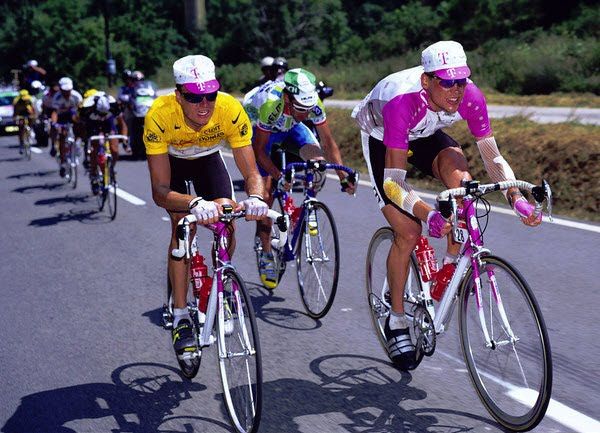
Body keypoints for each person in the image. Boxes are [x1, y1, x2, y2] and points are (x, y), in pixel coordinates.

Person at [352, 40, 542, 370]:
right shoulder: (402, 100)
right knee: (409, 231)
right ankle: (396, 319)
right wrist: (427, 215)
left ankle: (449, 265)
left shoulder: (469, 95)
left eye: (461, 80)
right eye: (446, 82)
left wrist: (517, 198)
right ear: (427, 81)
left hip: (427, 131)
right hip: (385, 135)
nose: (456, 91)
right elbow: (394, 183)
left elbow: (492, 156)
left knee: (463, 188)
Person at [143, 54, 269, 356]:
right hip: (172, 164)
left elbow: (252, 173)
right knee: (182, 229)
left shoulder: (229, 109)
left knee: (226, 216)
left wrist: (256, 198)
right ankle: (181, 314)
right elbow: (160, 192)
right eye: (194, 97)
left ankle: (221, 284)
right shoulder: (159, 115)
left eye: (210, 95)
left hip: (208, 160)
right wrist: (195, 203)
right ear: (178, 95)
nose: (204, 105)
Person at [243, 67, 356, 289]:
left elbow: (328, 142)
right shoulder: (270, 104)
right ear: (287, 97)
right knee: (263, 195)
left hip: (289, 127)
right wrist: (277, 174)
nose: (306, 113)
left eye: (308, 107)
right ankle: (266, 251)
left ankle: (307, 205)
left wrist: (343, 175)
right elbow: (258, 151)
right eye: (300, 108)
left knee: (318, 160)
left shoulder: (311, 104)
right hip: (259, 131)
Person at [79, 91, 124, 194]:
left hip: (108, 122)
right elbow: (82, 125)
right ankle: (94, 174)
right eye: (101, 114)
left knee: (114, 149)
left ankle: (111, 168)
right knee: (95, 147)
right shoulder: (87, 107)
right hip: (92, 123)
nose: (102, 116)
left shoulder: (114, 104)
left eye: (104, 113)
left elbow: (121, 121)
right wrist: (85, 139)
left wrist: (124, 140)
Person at [50, 77, 82, 177]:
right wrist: (55, 124)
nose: (67, 92)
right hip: (61, 117)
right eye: (65, 90)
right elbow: (54, 113)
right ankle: (63, 160)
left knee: (80, 126)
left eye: (68, 90)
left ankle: (77, 143)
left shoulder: (77, 96)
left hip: (73, 115)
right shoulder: (57, 97)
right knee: (62, 134)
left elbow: (81, 110)